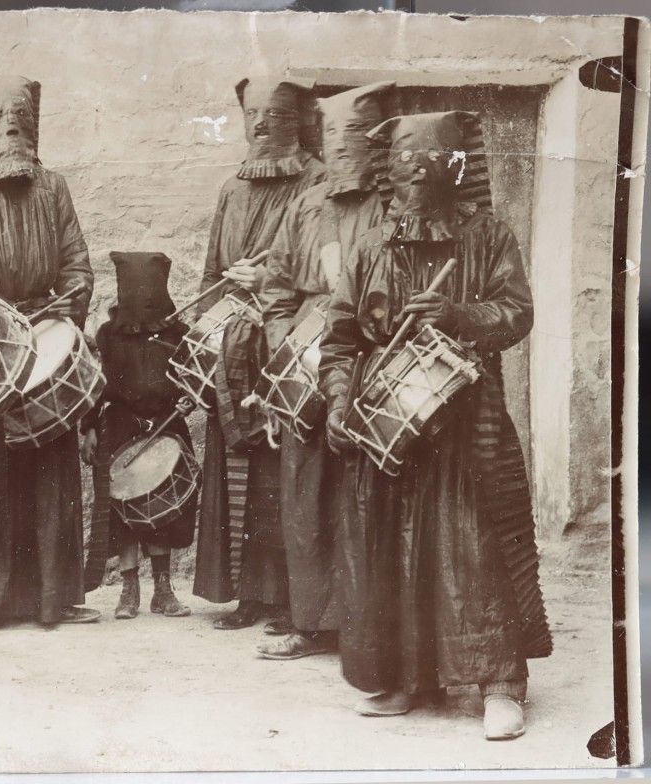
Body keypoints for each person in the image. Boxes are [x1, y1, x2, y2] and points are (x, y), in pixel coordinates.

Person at [318, 110, 551, 740]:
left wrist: (456, 314)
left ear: (454, 171)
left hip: (464, 419)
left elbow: (516, 313)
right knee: (389, 548)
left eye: (426, 167)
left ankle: (500, 684)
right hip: (385, 423)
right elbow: (339, 339)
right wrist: (339, 403)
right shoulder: (370, 245)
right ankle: (405, 679)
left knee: (473, 544)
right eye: (401, 166)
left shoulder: (490, 235)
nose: (411, 178)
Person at [0, 76, 99, 630]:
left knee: (50, 475)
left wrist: (66, 314)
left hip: (44, 336)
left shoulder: (53, 187)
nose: (9, 127)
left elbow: (76, 261)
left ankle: (53, 599)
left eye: (20, 117)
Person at [255, 81, 394, 660]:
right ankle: (311, 623)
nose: (342, 146)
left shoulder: (394, 206)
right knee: (306, 495)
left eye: (355, 134)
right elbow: (276, 288)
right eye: (332, 134)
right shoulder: (305, 205)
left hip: (372, 359)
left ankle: (370, 626)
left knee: (367, 496)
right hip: (307, 362)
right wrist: (287, 347)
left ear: (376, 143)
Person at [192, 75, 326, 632]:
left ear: (297, 119)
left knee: (285, 473)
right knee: (237, 467)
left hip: (290, 340)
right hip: (236, 346)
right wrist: (208, 317)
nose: (261, 123)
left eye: (273, 113)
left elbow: (324, 267)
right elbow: (211, 270)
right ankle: (248, 596)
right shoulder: (232, 189)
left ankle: (290, 601)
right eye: (252, 113)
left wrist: (271, 275)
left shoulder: (319, 181)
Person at [82, 252, 196, 619]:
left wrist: (188, 399)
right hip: (120, 425)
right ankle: (129, 589)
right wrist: (88, 428)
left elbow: (193, 381)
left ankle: (163, 589)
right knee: (124, 508)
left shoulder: (179, 335)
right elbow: (95, 386)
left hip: (167, 424)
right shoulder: (109, 335)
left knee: (160, 506)